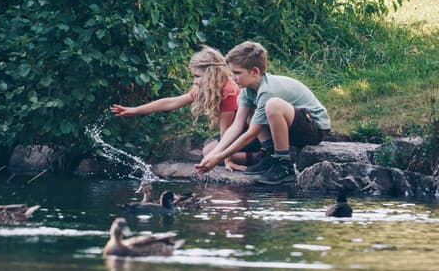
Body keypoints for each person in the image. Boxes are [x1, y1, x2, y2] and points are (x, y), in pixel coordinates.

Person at [195, 40, 330, 184]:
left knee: (273, 105)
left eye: (237, 73)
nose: (232, 78)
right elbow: (237, 125)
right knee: (252, 113)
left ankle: (283, 164)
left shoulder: (268, 90)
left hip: (314, 128)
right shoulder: (247, 92)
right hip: (293, 127)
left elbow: (252, 133)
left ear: (254, 72)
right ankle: (270, 156)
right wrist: (214, 154)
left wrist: (219, 157)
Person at [110, 45, 260, 170]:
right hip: (235, 133)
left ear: (212, 74)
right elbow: (171, 102)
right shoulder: (205, 88)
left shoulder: (229, 92)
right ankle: (250, 156)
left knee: (209, 152)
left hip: (248, 134)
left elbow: (226, 130)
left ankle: (259, 157)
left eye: (197, 76)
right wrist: (135, 110)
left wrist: (228, 161)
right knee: (208, 149)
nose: (195, 80)